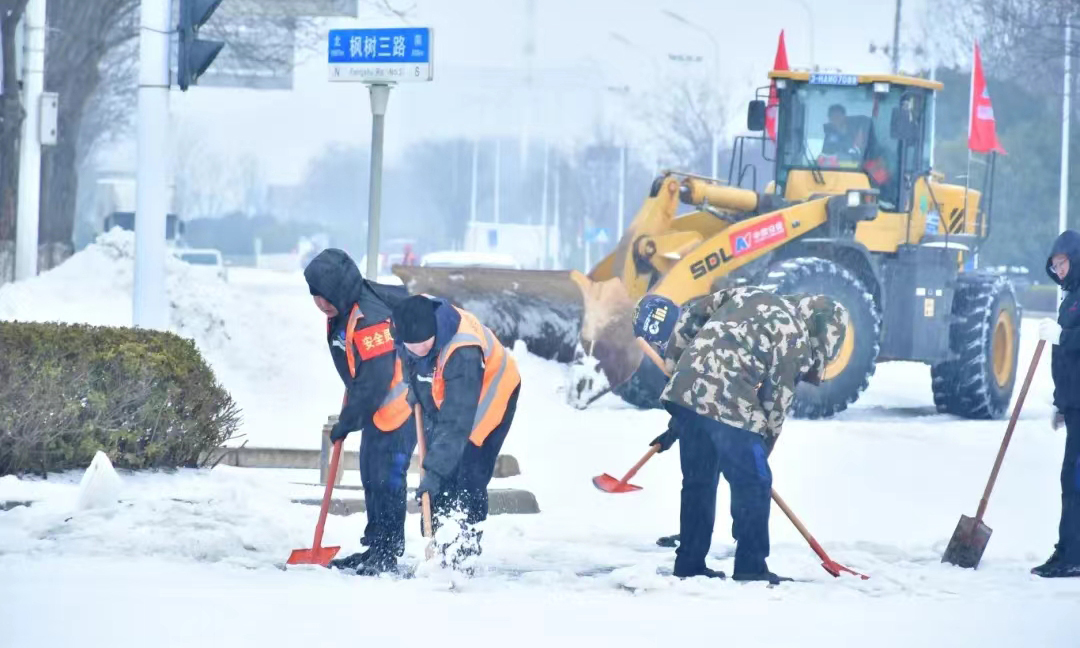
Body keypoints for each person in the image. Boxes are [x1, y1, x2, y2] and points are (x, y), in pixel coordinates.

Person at [633, 287, 848, 584]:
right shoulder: (796, 336)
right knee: (754, 483)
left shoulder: (748, 293)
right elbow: (775, 406)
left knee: (699, 483)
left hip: (683, 394)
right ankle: (751, 567)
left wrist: (678, 369)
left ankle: (689, 563)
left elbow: (691, 316)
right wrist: (758, 456)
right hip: (729, 405)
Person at [304, 248, 416, 576]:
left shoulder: (369, 318)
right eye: (315, 296)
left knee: (387, 477)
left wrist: (349, 419)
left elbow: (377, 377)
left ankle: (387, 551)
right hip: (379, 408)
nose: (321, 303)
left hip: (401, 406)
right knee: (371, 472)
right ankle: (377, 545)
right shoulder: (345, 307)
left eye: (326, 296)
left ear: (341, 290)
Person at [390, 294, 521, 570]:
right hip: (449, 394)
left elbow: (456, 424)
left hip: (491, 396)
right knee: (442, 467)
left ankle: (464, 551)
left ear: (434, 333)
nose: (417, 351)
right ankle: (441, 542)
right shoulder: (406, 326)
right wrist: (415, 389)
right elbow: (410, 361)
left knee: (468, 473)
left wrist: (433, 474)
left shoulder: (463, 351)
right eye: (411, 346)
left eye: (423, 345)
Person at [1033, 230, 1080, 578]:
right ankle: (1066, 550)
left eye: (1062, 263)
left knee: (1076, 481)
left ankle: (1073, 556)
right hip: (1074, 403)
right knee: (1070, 479)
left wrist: (1063, 335)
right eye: (1054, 265)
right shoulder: (1071, 298)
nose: (1058, 270)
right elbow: (1065, 362)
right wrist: (1059, 403)